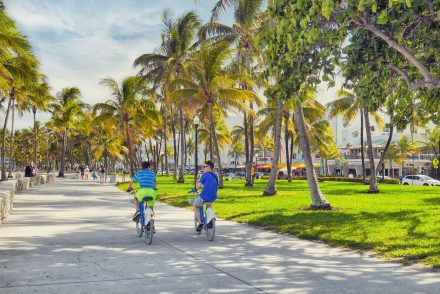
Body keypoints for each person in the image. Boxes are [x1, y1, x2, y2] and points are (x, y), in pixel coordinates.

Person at [193, 160, 218, 232]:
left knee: (195, 206)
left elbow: (197, 187)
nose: (203, 168)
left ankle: (200, 223)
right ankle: (210, 220)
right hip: (213, 196)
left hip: (204, 196)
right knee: (209, 204)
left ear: (209, 167)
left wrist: (196, 182)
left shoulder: (205, 175)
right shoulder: (215, 176)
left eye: (205, 167)